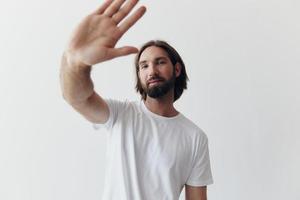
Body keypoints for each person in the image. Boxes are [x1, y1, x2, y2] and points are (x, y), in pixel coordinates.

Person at [60, 0, 213, 199]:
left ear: (176, 69)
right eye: (144, 66)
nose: (152, 71)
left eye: (160, 62)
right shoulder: (120, 115)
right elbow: (76, 97)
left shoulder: (194, 137)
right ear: (139, 75)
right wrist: (76, 64)